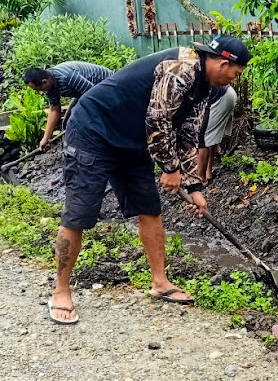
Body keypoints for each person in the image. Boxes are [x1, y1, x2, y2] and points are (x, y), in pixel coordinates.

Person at [48, 35, 250, 324]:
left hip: (131, 140)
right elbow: (158, 120)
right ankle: (61, 292)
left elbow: (189, 135)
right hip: (94, 130)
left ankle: (160, 283)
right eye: (236, 72)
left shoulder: (206, 85)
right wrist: (169, 168)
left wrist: (193, 186)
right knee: (79, 214)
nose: (235, 79)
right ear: (222, 62)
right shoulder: (181, 67)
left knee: (149, 208)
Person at [24, 62, 113, 149]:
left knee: (80, 120)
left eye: (37, 89)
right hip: (86, 93)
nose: (37, 92)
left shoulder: (67, 77)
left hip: (106, 87)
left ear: (45, 82)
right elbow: (54, 109)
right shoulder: (50, 86)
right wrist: (46, 138)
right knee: (67, 122)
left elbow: (93, 98)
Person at [197, 86, 237, 184]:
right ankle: (208, 173)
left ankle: (199, 179)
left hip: (219, 97)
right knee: (211, 134)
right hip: (228, 93)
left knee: (202, 137)